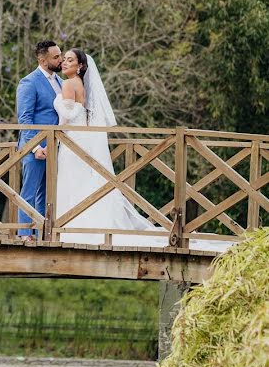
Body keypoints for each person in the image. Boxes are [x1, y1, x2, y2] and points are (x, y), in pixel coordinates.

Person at [52, 48, 232, 252]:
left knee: (73, 180)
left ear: (81, 66)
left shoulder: (67, 83)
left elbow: (67, 115)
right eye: (64, 60)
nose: (64, 63)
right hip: (83, 138)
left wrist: (57, 111)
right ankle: (80, 226)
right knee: (85, 181)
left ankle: (70, 227)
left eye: (69, 60)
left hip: (72, 139)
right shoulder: (82, 84)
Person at [16, 40, 63, 240]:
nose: (60, 59)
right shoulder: (29, 82)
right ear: (43, 61)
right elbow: (24, 119)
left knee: (46, 193)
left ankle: (42, 233)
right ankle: (25, 233)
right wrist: (35, 147)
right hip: (35, 147)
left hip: (55, 146)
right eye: (56, 57)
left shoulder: (60, 81)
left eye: (60, 55)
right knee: (29, 190)